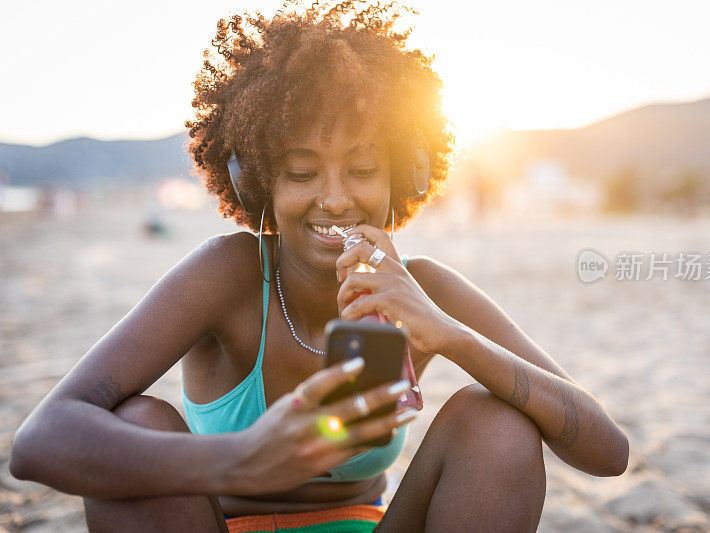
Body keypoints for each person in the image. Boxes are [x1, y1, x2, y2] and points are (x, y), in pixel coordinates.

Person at [9, 2, 629, 531]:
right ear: (257, 185)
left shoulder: (426, 288)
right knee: (137, 419)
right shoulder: (226, 275)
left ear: (402, 178)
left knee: (495, 420)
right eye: (302, 172)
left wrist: (449, 335)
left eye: (362, 170)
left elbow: (609, 451)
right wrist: (240, 459)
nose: (334, 197)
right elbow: (41, 442)